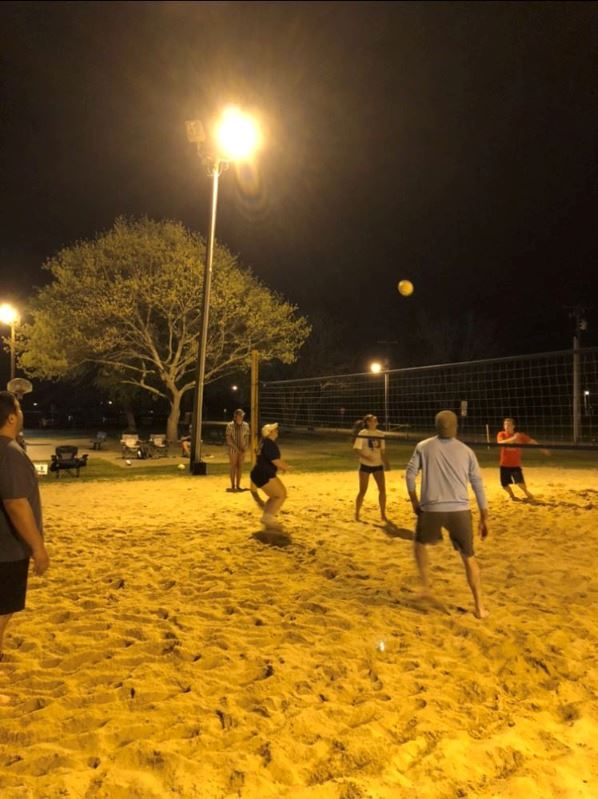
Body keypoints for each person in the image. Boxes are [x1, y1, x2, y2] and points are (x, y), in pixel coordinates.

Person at [406, 410, 489, 619]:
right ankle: (479, 607)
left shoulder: (423, 447)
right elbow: (478, 485)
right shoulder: (467, 451)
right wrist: (484, 515)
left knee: (419, 545)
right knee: (469, 557)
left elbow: (409, 475)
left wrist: (415, 501)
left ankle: (426, 588)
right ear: (456, 427)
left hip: (431, 509)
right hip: (460, 511)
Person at [0, 391, 50, 661]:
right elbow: (16, 504)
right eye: (18, 409)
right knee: (2, 612)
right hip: (6, 551)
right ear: (11, 417)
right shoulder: (9, 453)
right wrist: (38, 549)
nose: (21, 413)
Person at [497, 417, 550, 501]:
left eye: (509, 424)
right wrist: (513, 439)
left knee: (520, 482)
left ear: (513, 426)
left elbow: (532, 441)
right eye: (505, 424)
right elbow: (500, 443)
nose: (507, 426)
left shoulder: (520, 435)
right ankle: (511, 495)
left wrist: (542, 449)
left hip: (515, 464)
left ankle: (527, 493)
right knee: (504, 484)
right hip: (504, 464)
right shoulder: (501, 434)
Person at [249, 423, 290, 531]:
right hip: (264, 473)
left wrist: (281, 467)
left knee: (274, 497)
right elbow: (275, 460)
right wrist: (286, 467)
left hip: (258, 473)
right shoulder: (269, 443)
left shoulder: (264, 442)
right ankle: (268, 518)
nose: (277, 431)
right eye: (274, 430)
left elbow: (269, 459)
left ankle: (266, 517)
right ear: (270, 432)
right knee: (281, 495)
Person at [353, 414, 390, 521]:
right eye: (374, 420)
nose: (376, 422)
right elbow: (356, 449)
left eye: (376, 420)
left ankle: (383, 514)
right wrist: (366, 457)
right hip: (365, 465)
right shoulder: (363, 433)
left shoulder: (380, 434)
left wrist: (386, 463)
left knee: (382, 489)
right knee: (362, 490)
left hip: (378, 465)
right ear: (368, 422)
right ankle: (357, 513)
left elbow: (382, 451)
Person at [225, 409, 251, 492]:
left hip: (242, 448)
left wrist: (245, 447)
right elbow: (229, 439)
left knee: (240, 467)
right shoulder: (230, 425)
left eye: (242, 415)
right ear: (235, 416)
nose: (240, 417)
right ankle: (233, 485)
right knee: (233, 466)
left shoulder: (246, 425)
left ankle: (238, 485)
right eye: (239, 415)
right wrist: (236, 448)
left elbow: (247, 437)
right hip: (233, 448)